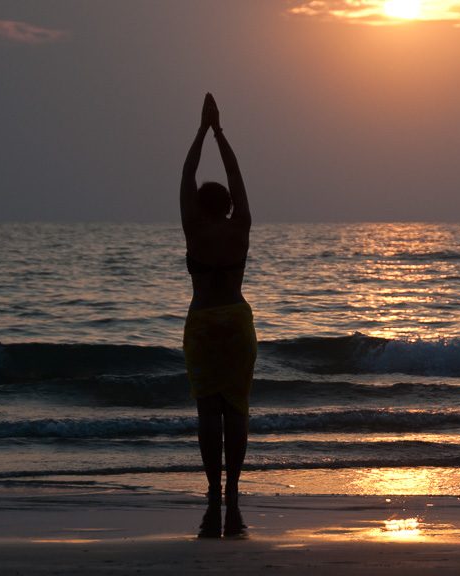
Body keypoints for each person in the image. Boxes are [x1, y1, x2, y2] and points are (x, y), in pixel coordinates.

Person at [181, 92, 255, 539]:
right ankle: (234, 488)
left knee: (209, 410)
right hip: (237, 321)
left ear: (200, 208)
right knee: (237, 409)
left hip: (205, 322)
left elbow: (187, 173)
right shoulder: (240, 227)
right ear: (227, 206)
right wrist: (221, 133)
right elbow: (237, 176)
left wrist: (201, 130)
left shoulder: (194, 229)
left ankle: (213, 488)